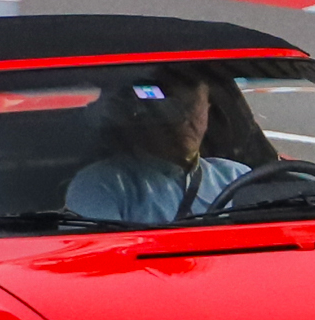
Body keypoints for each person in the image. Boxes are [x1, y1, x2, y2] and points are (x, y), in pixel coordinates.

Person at [66, 75, 250, 224]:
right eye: (170, 109)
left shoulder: (237, 177)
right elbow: (100, 255)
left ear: (207, 110)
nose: (183, 121)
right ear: (142, 115)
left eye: (191, 108)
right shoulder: (101, 184)